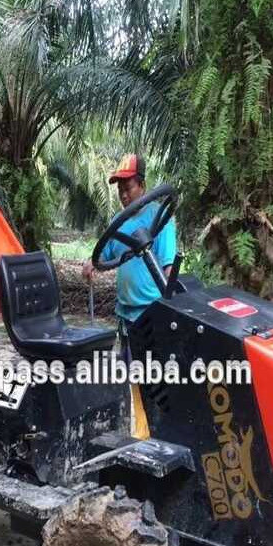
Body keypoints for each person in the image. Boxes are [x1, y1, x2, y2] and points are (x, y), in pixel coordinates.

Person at [82, 153, 177, 438]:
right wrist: (91, 264)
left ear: (142, 185)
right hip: (126, 316)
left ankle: (161, 434)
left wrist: (169, 307)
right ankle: (140, 434)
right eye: (120, 189)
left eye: (129, 187)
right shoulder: (118, 222)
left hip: (151, 314)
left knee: (156, 381)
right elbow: (104, 256)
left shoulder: (159, 218)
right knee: (131, 378)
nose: (124, 194)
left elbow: (168, 267)